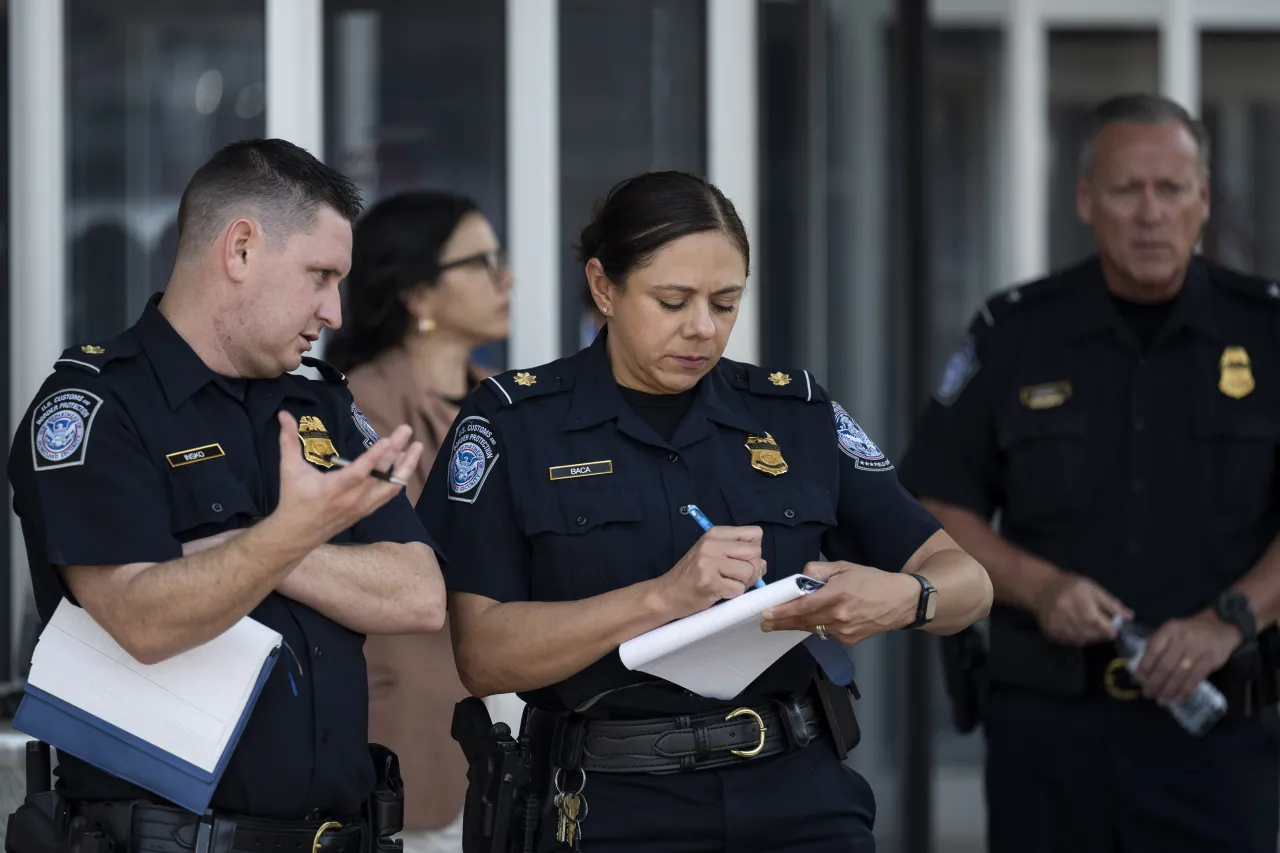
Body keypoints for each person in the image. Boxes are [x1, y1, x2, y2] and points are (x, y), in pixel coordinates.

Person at [418, 170, 993, 852]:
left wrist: (905, 596)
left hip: (797, 795)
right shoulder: (515, 422)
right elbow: (483, 655)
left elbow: (967, 580)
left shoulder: (794, 413)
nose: (701, 327)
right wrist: (661, 597)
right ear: (604, 287)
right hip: (609, 801)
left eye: (725, 303)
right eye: (672, 300)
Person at [6, 139, 447, 851]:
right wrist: (294, 534)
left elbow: (419, 593)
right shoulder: (99, 407)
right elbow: (142, 617)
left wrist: (260, 547)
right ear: (240, 250)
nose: (334, 311)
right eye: (319, 275)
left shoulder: (320, 406)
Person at [898, 93, 1280, 853]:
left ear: (1203, 198)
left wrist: (1229, 618)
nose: (1149, 213)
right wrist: (1040, 588)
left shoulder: (1267, 334)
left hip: (1218, 742)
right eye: (1125, 189)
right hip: (1049, 742)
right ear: (1084, 198)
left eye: (1171, 189)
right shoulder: (1015, 333)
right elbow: (933, 501)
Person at [326, 190, 513, 853]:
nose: (507, 277)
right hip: (413, 727)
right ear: (419, 295)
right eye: (482, 262)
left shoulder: (507, 396)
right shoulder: (355, 404)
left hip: (520, 726)